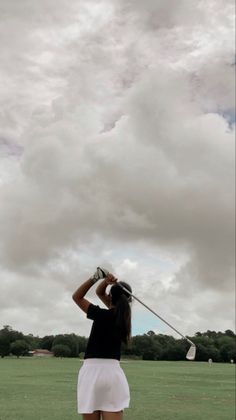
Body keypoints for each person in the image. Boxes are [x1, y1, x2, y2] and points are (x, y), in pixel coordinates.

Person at [72, 267, 132, 420]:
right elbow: (102, 294)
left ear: (110, 297)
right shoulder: (124, 319)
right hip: (112, 374)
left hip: (91, 373)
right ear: (129, 300)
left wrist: (97, 278)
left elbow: (77, 297)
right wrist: (106, 283)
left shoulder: (101, 315)